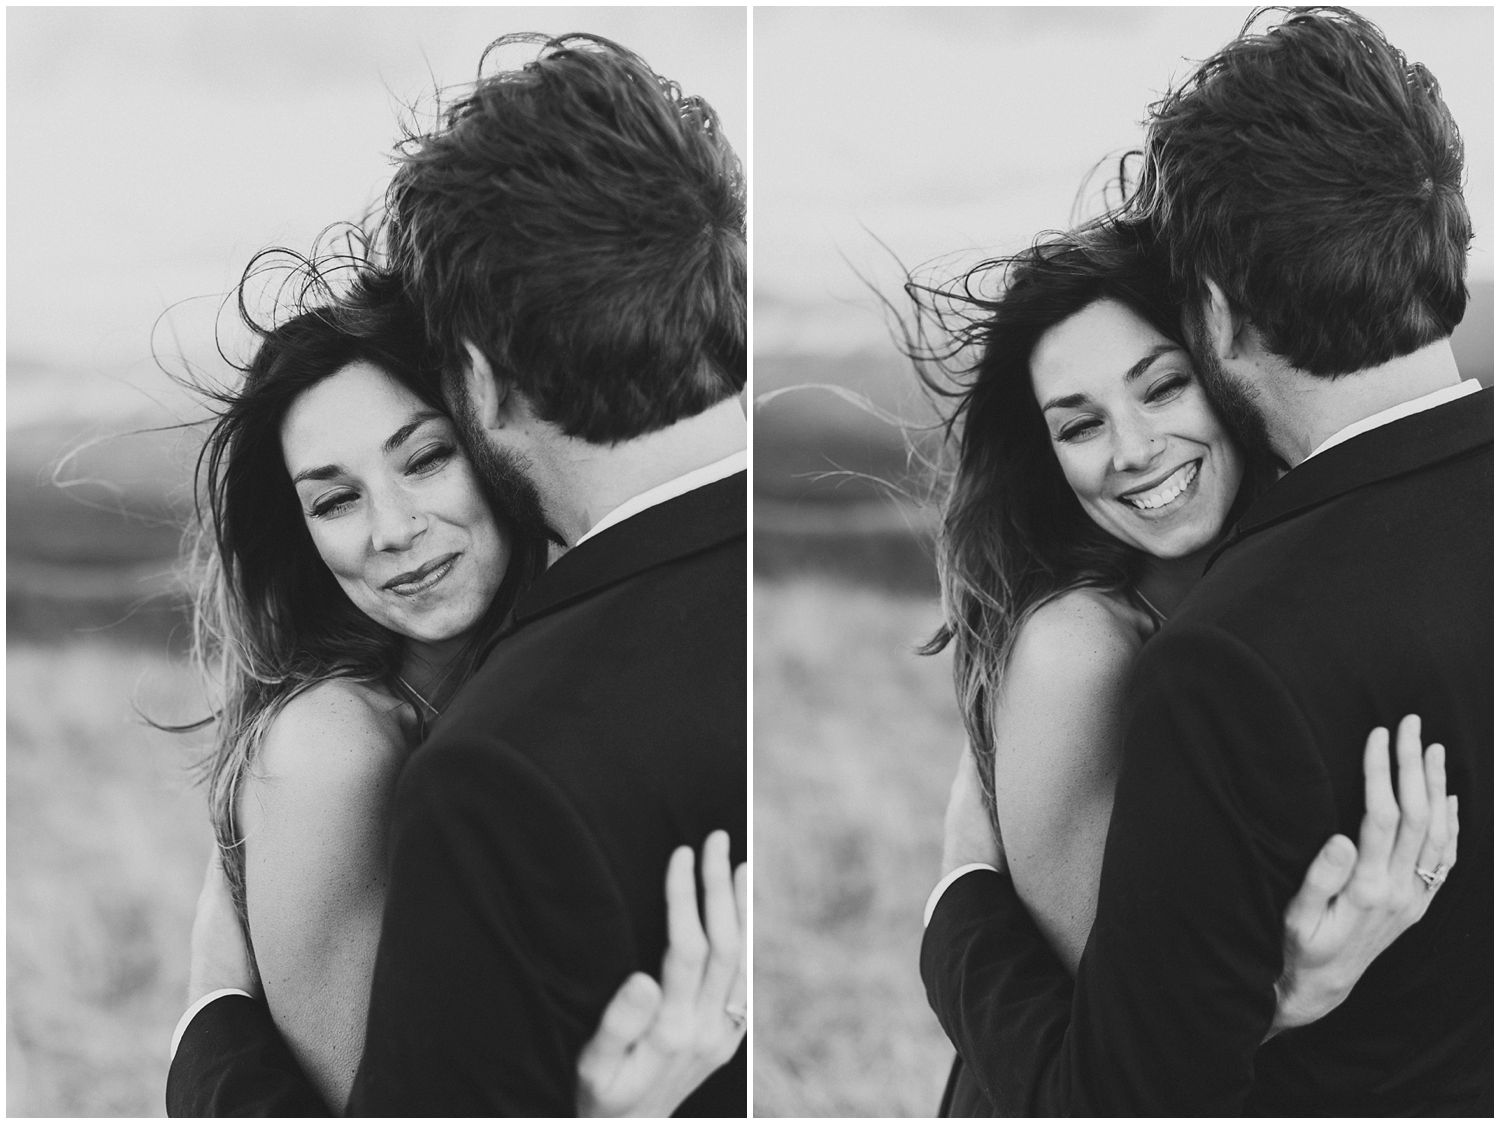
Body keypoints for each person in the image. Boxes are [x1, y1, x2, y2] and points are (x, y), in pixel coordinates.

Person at [919, 7, 1490, 1114]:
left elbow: (1121, 1089)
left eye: (1163, 381)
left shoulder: (1236, 656)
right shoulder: (1090, 647)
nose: (1133, 448)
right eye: (1078, 421)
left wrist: (957, 900)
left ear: (1216, 320)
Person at [166, 32, 747, 1115]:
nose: (390, 529)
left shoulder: (568, 665)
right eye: (334, 499)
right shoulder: (331, 750)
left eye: (425, 456)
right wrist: (213, 1023)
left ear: (483, 419)